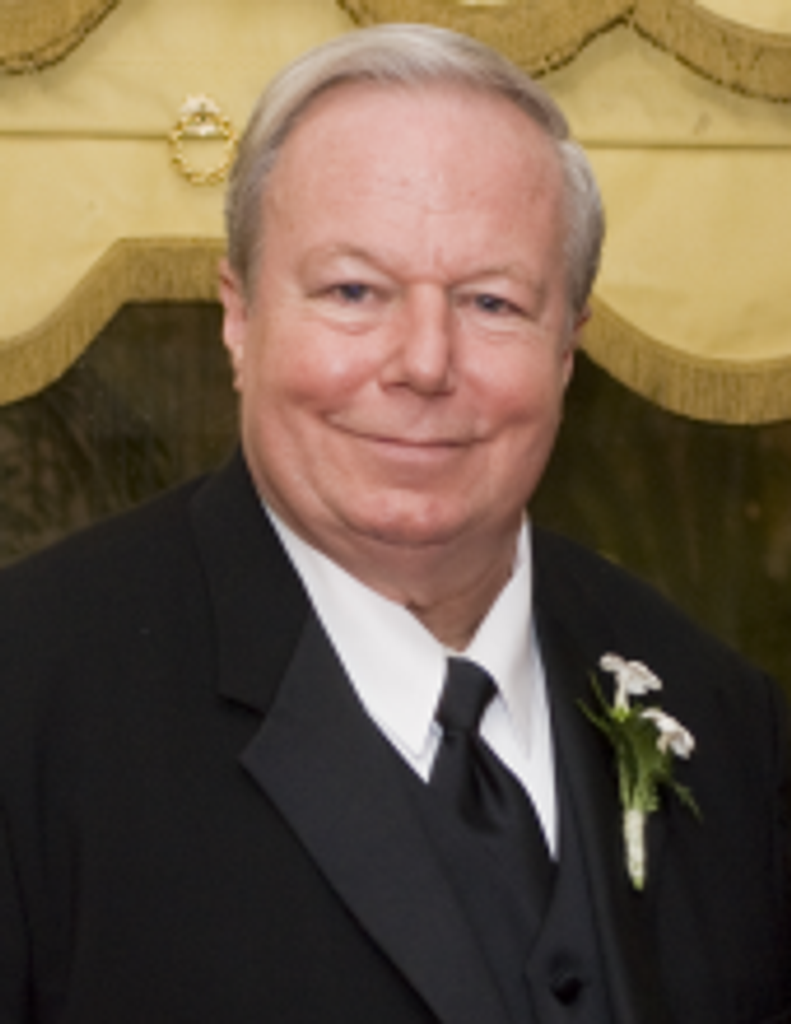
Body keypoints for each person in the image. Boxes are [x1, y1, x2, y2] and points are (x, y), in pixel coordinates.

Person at [0, 22, 789, 1024]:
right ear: (238, 316)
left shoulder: (724, 720)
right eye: (353, 291)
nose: (424, 361)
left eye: (491, 303)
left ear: (566, 347)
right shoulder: (26, 696)